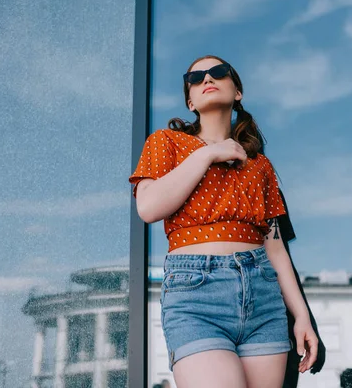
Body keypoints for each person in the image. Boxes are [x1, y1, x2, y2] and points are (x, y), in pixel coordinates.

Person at [129, 55, 319, 388]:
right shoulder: (167, 142)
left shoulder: (260, 165)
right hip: (195, 294)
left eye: (217, 72)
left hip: (262, 293)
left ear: (238, 92)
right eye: (195, 76)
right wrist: (207, 153)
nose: (207, 79)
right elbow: (148, 207)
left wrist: (302, 315)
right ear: (190, 100)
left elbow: (275, 248)